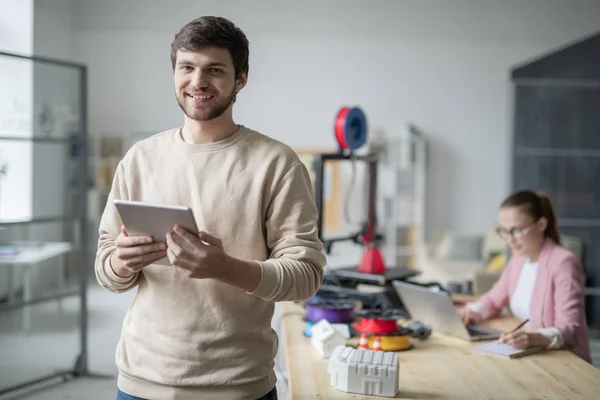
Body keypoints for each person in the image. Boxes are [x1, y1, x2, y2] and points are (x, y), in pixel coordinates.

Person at [94, 16, 327, 400]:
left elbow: (306, 276)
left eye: (214, 70)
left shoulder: (277, 163)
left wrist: (226, 268)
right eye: (187, 68)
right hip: (140, 382)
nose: (198, 82)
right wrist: (122, 262)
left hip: (238, 386)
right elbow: (105, 267)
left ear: (241, 79)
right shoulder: (140, 158)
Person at [459, 190, 591, 363]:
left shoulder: (563, 262)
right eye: (504, 231)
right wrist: (474, 310)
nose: (509, 239)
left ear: (541, 224)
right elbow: (494, 298)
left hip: (565, 360)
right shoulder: (519, 259)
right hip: (531, 355)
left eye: (516, 230)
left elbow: (570, 327)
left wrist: (533, 338)